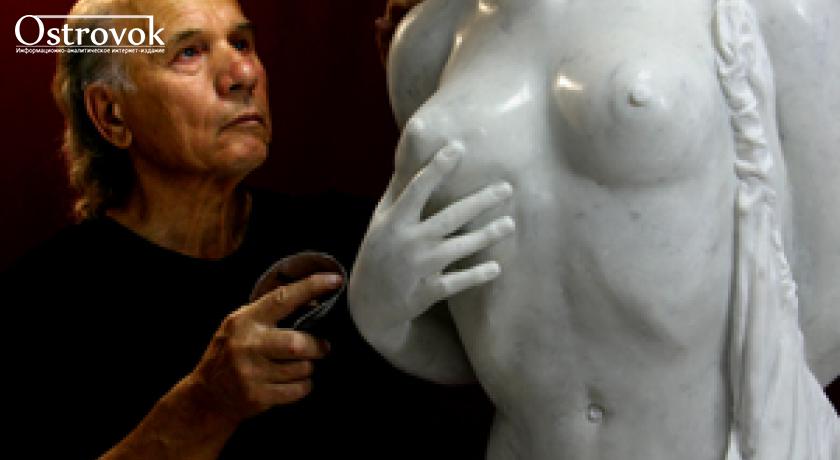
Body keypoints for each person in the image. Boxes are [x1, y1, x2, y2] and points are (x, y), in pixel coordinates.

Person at [3, 0, 517, 458]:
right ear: (111, 115)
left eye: (242, 43)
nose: (243, 74)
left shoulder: (348, 234)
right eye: (188, 53)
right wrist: (206, 404)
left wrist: (421, 83)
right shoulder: (43, 300)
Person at [350, 0, 840, 459]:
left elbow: (824, 315)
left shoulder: (771, 12)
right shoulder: (428, 42)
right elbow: (469, 333)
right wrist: (380, 314)